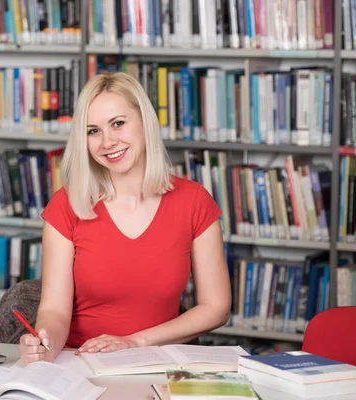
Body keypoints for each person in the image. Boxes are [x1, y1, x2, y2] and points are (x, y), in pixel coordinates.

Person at [18, 72, 231, 365]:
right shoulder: (67, 205)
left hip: (157, 360)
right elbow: (54, 311)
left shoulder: (194, 201)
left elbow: (216, 307)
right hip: (80, 363)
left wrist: (134, 342)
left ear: (144, 121)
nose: (107, 142)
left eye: (118, 123)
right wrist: (45, 344)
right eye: (93, 131)